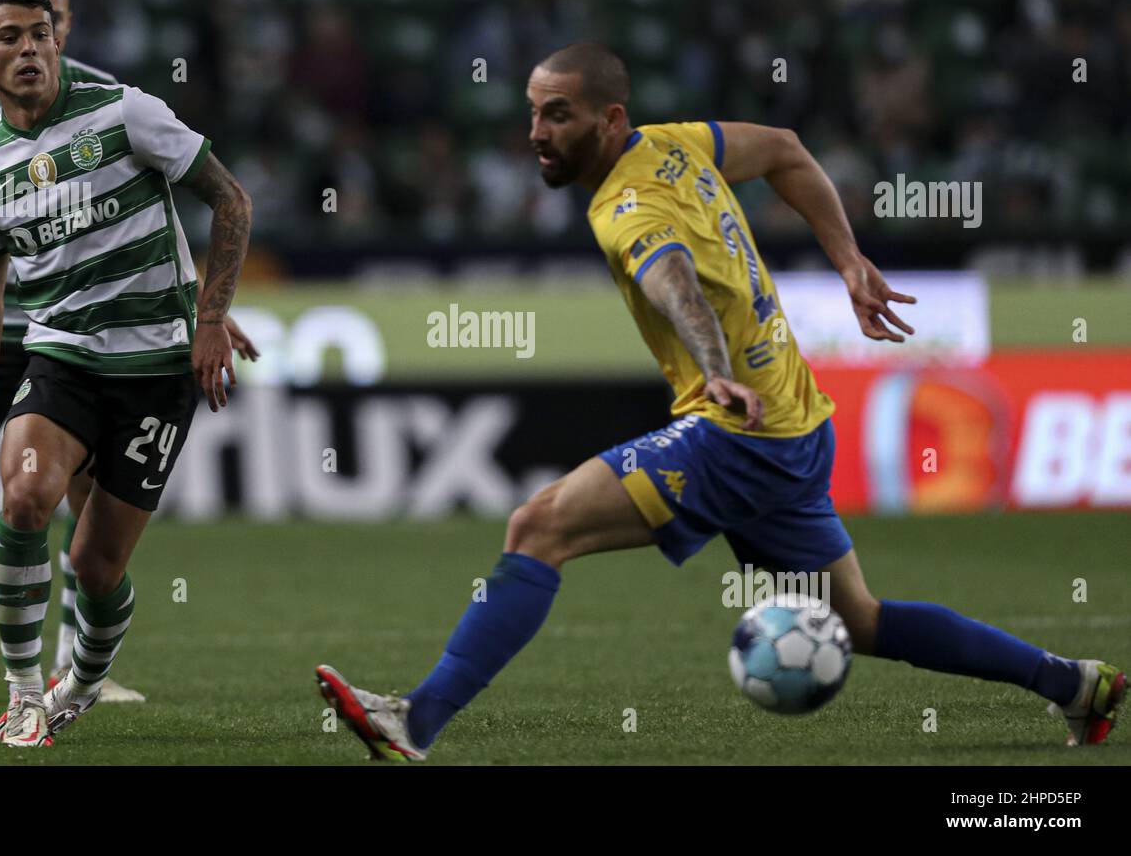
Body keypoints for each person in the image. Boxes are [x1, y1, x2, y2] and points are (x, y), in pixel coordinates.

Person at [315, 43, 1124, 761]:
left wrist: (714, 371)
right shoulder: (679, 145)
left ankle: (416, 722)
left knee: (539, 526)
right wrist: (848, 261)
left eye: (558, 115)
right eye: (533, 113)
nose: (537, 133)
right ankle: (1072, 683)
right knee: (862, 621)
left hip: (741, 430)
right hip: (796, 423)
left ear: (611, 117)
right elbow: (788, 150)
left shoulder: (624, 207)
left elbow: (676, 287)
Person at [0, 0, 252, 747]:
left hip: (158, 370)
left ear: (57, 44)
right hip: (61, 356)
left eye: (40, 34)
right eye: (10, 38)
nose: (28, 49)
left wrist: (208, 322)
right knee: (27, 498)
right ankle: (24, 693)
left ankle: (88, 678)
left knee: (95, 568)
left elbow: (231, 200)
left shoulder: (124, 112)